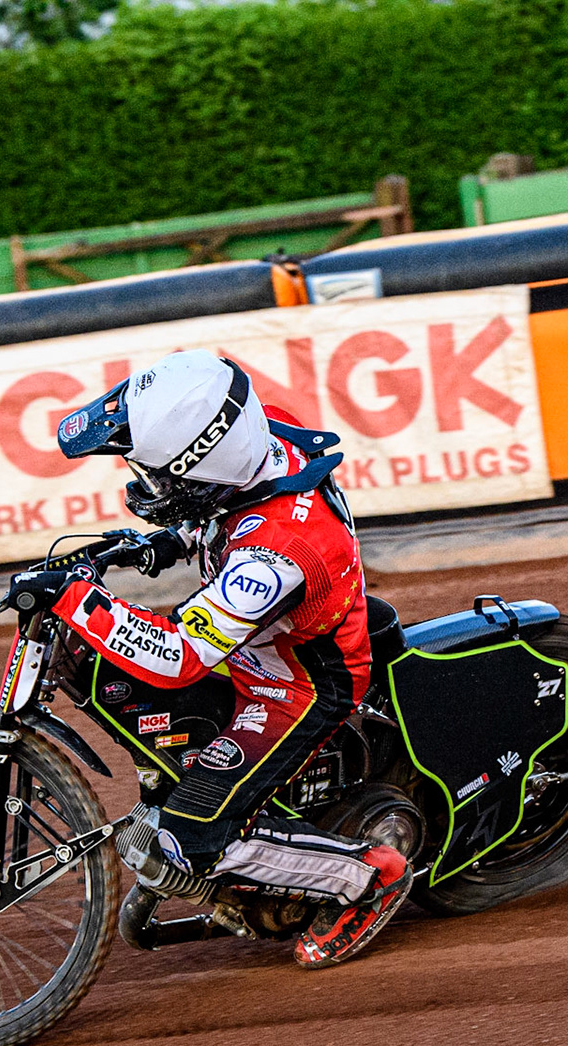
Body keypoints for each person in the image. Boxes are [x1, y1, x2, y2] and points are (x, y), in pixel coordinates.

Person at [20, 349, 411, 966]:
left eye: (160, 477)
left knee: (191, 837)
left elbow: (178, 656)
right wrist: (162, 543)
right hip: (262, 639)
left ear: (206, 466)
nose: (147, 487)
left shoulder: (274, 557)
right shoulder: (259, 434)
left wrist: (77, 599)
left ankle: (368, 879)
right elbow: (230, 506)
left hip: (297, 687)